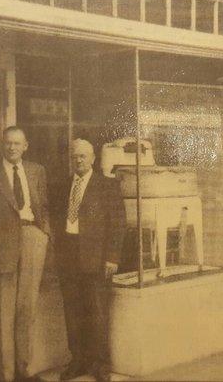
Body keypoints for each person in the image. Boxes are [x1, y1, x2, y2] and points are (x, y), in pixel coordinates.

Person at [0, 126, 51, 381]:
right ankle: (5, 376)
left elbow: (44, 206)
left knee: (27, 310)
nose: (12, 148)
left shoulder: (37, 171)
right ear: (2, 145)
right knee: (4, 315)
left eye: (17, 143)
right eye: (8, 143)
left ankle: (23, 371)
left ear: (25, 146)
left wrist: (44, 234)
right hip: (1, 248)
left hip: (32, 240)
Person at [53, 139, 126, 382]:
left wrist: (112, 257)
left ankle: (100, 364)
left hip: (96, 258)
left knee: (97, 312)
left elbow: (118, 224)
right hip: (69, 257)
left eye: (84, 156)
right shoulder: (64, 186)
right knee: (73, 312)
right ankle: (78, 360)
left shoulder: (107, 186)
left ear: (94, 158)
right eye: (75, 156)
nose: (79, 160)